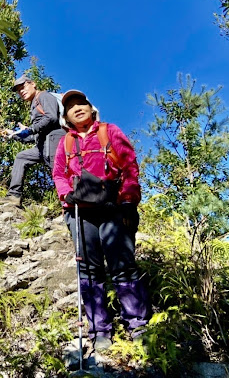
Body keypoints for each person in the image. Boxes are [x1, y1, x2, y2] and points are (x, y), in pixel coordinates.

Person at [52, 89, 150, 351]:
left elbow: (130, 166)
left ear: (91, 108)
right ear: (67, 118)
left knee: (123, 266)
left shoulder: (110, 131)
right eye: (70, 107)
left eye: (80, 103)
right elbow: (59, 174)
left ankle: (138, 325)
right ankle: (99, 330)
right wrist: (66, 195)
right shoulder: (66, 143)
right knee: (89, 271)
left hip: (114, 208)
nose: (77, 108)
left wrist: (130, 201)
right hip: (80, 213)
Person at [1, 75, 66, 206]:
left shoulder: (44, 96)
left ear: (33, 84)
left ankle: (70, 208)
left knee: (60, 173)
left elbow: (51, 117)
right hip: (42, 144)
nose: (21, 91)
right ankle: (14, 197)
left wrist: (30, 129)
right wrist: (14, 134)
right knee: (22, 157)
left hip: (54, 140)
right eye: (19, 91)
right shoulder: (34, 104)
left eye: (23, 87)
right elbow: (33, 136)